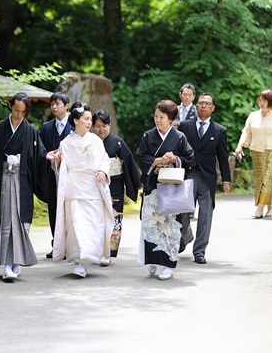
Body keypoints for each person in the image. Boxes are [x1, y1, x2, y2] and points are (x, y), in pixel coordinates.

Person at [0, 92, 50, 282]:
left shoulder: (31, 131)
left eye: (23, 112)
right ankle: (7, 264)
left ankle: (17, 263)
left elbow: (40, 155)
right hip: (2, 181)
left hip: (22, 182)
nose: (19, 115)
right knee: (5, 221)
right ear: (11, 107)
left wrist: (48, 157)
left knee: (20, 222)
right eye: (16, 110)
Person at [48, 102, 114, 277]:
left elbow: (105, 160)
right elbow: (62, 169)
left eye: (89, 119)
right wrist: (59, 162)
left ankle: (91, 255)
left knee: (93, 225)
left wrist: (102, 171)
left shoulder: (96, 141)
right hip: (74, 188)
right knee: (77, 226)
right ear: (75, 120)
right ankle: (80, 261)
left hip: (93, 188)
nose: (89, 122)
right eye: (85, 119)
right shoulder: (66, 143)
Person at [136, 100, 195, 280]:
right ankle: (152, 259)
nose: (158, 120)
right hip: (153, 186)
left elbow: (190, 158)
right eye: (156, 116)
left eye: (162, 117)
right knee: (151, 224)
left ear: (171, 119)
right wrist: (158, 161)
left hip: (172, 189)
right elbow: (141, 156)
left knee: (169, 226)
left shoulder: (179, 137)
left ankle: (169, 264)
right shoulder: (148, 136)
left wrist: (175, 158)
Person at [177, 93, 232, 264]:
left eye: (207, 103)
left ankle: (199, 251)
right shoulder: (185, 126)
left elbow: (222, 156)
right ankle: (185, 236)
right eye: (200, 103)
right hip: (189, 174)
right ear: (196, 106)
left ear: (213, 108)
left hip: (208, 177)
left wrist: (226, 180)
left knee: (206, 215)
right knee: (182, 212)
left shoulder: (219, 130)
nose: (203, 106)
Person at [92, 109, 142, 260]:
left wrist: (137, 182)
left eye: (105, 125)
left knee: (115, 217)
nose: (102, 129)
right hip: (96, 185)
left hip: (115, 184)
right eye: (98, 126)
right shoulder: (91, 143)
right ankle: (97, 249)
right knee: (97, 217)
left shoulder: (118, 142)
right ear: (93, 126)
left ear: (110, 125)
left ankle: (111, 250)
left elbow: (129, 163)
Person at [234, 89, 272, 218]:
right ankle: (269, 206)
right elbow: (246, 132)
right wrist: (240, 145)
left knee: (268, 179)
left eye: (265, 100)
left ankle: (260, 208)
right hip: (257, 150)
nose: (262, 103)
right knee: (260, 180)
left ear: (271, 102)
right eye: (260, 100)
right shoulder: (253, 115)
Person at [38, 92, 73, 258]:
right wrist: (48, 156)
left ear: (67, 106)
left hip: (72, 176)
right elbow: (40, 148)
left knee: (70, 209)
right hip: (52, 175)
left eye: (57, 103)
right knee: (53, 209)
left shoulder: (75, 125)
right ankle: (56, 245)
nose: (54, 107)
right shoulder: (46, 127)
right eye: (52, 104)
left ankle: (71, 245)